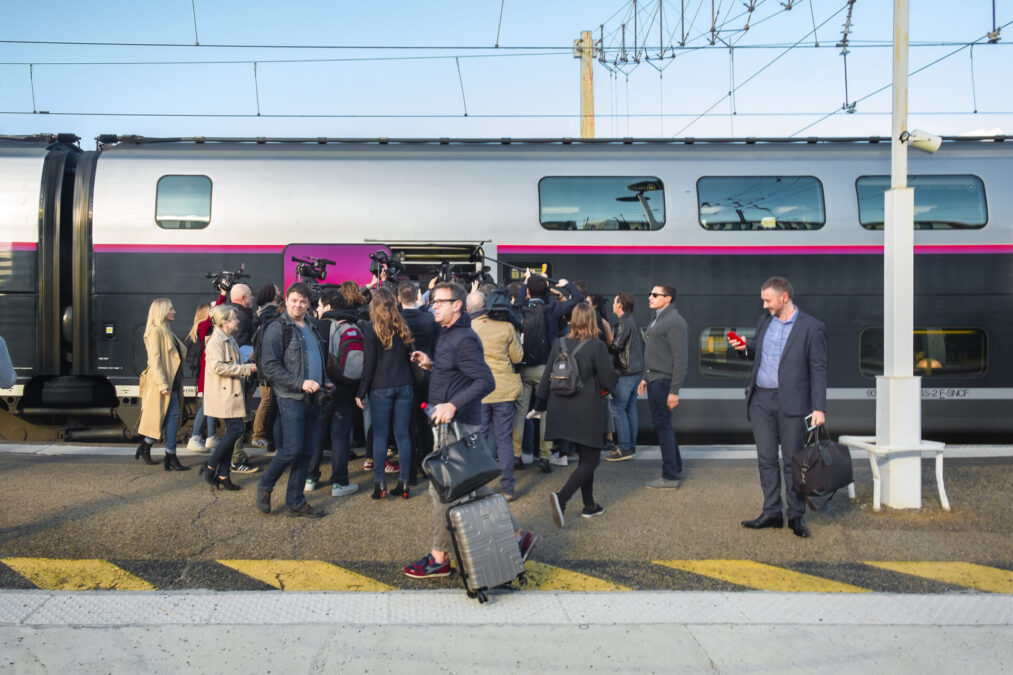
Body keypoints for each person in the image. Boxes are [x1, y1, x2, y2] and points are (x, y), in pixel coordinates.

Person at [402, 282, 536, 579]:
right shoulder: (449, 334)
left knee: (442, 488)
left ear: (457, 305)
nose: (433, 305)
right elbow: (459, 372)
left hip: (458, 424)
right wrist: (432, 365)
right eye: (433, 301)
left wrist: (452, 405)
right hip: (450, 423)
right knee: (470, 486)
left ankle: (439, 557)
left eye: (439, 301)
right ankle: (516, 536)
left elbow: (485, 381)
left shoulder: (463, 338)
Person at [730, 276, 827, 539]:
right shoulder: (765, 322)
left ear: (784, 297)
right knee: (766, 460)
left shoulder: (811, 328)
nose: (764, 306)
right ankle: (772, 512)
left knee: (792, 462)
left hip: (792, 404)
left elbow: (818, 369)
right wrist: (744, 348)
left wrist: (819, 407)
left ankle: (796, 515)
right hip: (761, 400)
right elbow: (759, 353)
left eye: (767, 300)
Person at [536, 303, 619, 525]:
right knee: (591, 460)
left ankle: (589, 506)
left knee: (585, 459)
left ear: (572, 320)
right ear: (593, 321)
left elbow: (546, 378)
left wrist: (539, 404)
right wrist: (616, 374)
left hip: (561, 408)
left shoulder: (559, 343)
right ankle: (561, 498)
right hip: (586, 411)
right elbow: (608, 380)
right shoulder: (596, 346)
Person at [256, 282, 329, 518]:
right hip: (291, 397)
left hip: (314, 397)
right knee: (292, 449)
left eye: (303, 301)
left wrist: (324, 380)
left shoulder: (312, 326)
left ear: (309, 304)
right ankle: (266, 484)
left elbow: (318, 358)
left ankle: (296, 502)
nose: (298, 305)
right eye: (294, 300)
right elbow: (269, 366)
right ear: (286, 300)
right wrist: (300, 383)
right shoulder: (278, 328)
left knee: (307, 452)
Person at [511, 271, 585, 472]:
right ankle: (544, 457)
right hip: (547, 369)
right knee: (544, 413)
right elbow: (579, 299)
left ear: (528, 292)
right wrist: (566, 284)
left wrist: (525, 283)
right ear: (545, 292)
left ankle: (516, 456)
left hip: (524, 368)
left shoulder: (521, 308)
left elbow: (518, 299)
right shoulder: (552, 308)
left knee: (520, 413)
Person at [356, 287, 415, 499]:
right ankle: (405, 483)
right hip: (405, 385)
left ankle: (379, 484)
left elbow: (368, 366)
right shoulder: (403, 326)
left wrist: (361, 391)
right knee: (403, 435)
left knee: (380, 436)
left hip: (380, 387)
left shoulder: (371, 330)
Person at [467, 290, 524, 501]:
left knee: (481, 438)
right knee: (504, 439)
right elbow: (518, 358)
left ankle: (479, 486)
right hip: (504, 390)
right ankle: (508, 489)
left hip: (479, 391)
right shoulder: (507, 327)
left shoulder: (469, 328)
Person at [199, 305, 257, 491]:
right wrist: (245, 369)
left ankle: (223, 474)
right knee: (235, 430)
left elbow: (231, 363)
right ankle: (210, 465)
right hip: (224, 393)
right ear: (225, 323)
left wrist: (247, 361)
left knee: (234, 431)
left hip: (231, 391)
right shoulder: (216, 341)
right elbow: (218, 367)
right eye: (234, 318)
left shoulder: (229, 338)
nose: (237, 321)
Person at [639, 283, 688, 489]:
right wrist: (644, 377)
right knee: (664, 425)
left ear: (667, 298)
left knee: (662, 426)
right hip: (654, 379)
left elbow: (680, 358)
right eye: (650, 293)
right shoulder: (658, 319)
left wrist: (674, 391)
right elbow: (655, 352)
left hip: (663, 382)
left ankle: (669, 476)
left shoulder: (674, 322)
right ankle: (675, 468)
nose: (650, 297)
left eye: (655, 294)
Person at [136, 297, 189, 471]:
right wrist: (162, 384)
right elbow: (155, 360)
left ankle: (150, 446)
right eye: (171, 309)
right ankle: (169, 455)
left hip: (171, 381)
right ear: (162, 311)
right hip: (162, 381)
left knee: (170, 417)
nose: (174, 311)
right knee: (168, 417)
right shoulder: (155, 331)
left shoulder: (166, 330)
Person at [399, 281, 437, 485]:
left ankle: (411, 464)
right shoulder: (430, 319)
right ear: (418, 297)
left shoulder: (397, 320)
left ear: (398, 298)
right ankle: (427, 462)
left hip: (405, 376)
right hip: (427, 375)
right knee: (426, 420)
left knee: (407, 423)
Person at [606, 292, 645, 461]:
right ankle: (630, 446)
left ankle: (624, 448)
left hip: (625, 373)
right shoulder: (633, 320)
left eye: (615, 303)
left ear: (620, 305)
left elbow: (616, 347)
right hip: (636, 372)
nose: (613, 306)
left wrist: (605, 344)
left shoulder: (623, 323)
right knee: (630, 408)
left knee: (617, 408)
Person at [250, 283, 281, 450]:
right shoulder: (271, 313)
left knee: (267, 401)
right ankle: (258, 435)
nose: (279, 292)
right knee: (267, 401)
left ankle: (260, 434)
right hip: (267, 370)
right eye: (276, 290)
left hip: (263, 367)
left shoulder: (261, 312)